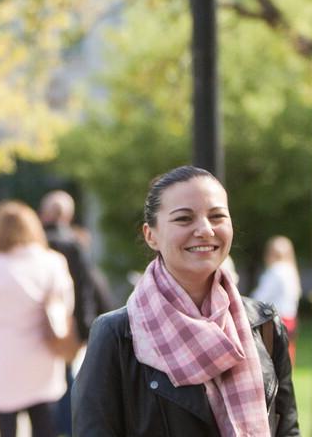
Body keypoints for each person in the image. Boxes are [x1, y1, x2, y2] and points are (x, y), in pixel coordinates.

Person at [73, 166, 300, 436]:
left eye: (217, 216)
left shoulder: (263, 324)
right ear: (151, 235)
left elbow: (287, 429)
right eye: (184, 219)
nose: (205, 230)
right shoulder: (117, 334)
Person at [0, 201, 74, 437]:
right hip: (44, 357)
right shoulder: (52, 262)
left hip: (4, 360)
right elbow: (66, 307)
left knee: (7, 428)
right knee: (44, 426)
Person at [39, 190, 102, 435]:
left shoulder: (37, 243)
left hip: (37, 323)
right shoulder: (74, 244)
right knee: (66, 378)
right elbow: (85, 288)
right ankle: (67, 428)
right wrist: (86, 325)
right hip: (68, 322)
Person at [251, 236, 302, 363]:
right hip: (290, 319)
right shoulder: (291, 270)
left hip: (275, 320)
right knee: (286, 360)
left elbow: (260, 297)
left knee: (272, 362)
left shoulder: (275, 271)